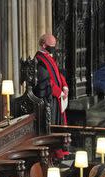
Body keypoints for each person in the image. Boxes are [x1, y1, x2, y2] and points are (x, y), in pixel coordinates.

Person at [35, 34, 69, 162]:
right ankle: (55, 154)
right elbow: (46, 81)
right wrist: (59, 92)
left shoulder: (49, 57)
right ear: (44, 45)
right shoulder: (39, 60)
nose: (54, 48)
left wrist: (64, 86)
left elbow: (58, 73)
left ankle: (60, 151)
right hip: (50, 99)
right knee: (53, 125)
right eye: (52, 46)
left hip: (57, 97)